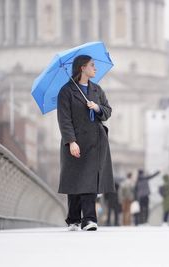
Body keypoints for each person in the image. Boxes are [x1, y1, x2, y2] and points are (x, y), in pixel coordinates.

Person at [57, 55, 115, 231]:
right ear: (82, 68)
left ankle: (89, 219)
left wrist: (96, 108)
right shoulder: (66, 91)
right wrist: (71, 142)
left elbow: (107, 111)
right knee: (74, 179)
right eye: (92, 65)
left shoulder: (97, 90)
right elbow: (64, 119)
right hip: (75, 142)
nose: (95, 68)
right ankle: (73, 219)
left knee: (90, 179)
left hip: (95, 143)